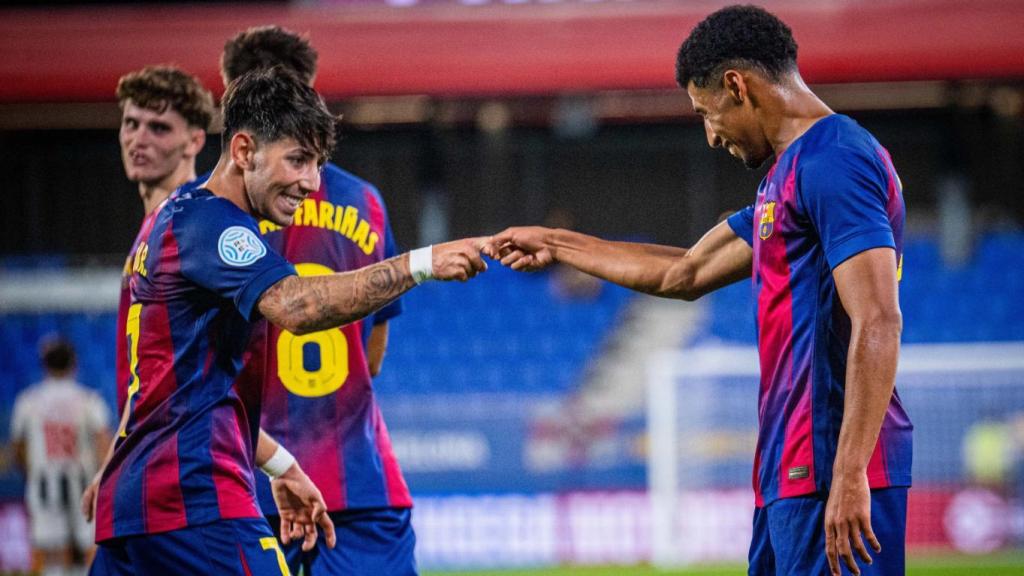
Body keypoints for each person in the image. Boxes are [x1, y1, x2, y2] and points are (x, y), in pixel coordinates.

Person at [487, 6, 912, 576]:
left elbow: (879, 320)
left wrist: (851, 472)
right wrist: (558, 243)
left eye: (706, 114)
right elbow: (684, 271)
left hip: (831, 463)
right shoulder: (786, 178)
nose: (711, 136)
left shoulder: (835, 159)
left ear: (737, 86)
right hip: (791, 466)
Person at [87, 67, 486, 576]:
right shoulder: (209, 225)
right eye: (297, 160)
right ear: (243, 151)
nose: (311, 183)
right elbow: (297, 307)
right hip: (194, 499)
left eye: (317, 164)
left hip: (140, 506)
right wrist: (421, 263)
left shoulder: (175, 219)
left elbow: (191, 394)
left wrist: (283, 466)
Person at [221, 26, 415, 575]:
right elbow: (373, 355)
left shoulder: (208, 219)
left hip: (245, 484)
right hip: (359, 476)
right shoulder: (366, 203)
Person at [11, 338, 112, 576]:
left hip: (45, 483)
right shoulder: (89, 401)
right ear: (73, 364)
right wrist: (102, 476)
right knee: (88, 547)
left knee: (48, 552)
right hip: (82, 482)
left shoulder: (28, 401)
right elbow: (103, 442)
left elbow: (18, 447)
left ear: (44, 365)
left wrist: (29, 472)